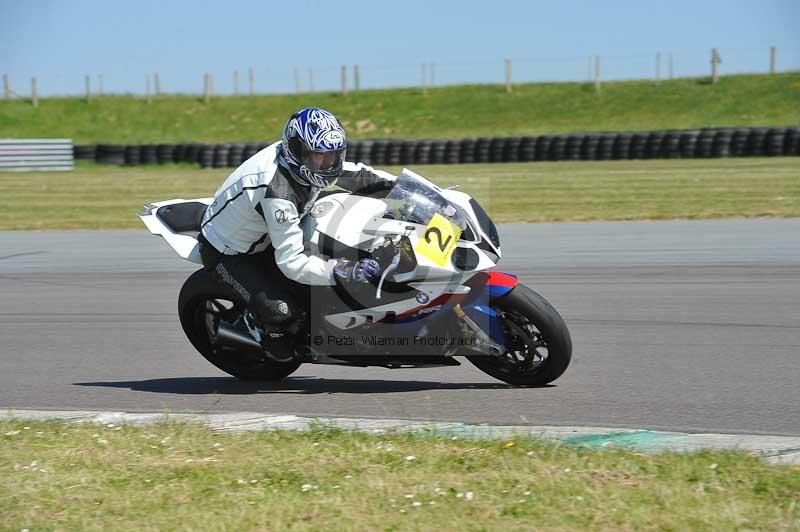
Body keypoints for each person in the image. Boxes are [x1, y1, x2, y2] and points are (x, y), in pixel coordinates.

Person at [197, 107, 395, 355]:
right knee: (282, 313)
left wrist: (407, 189)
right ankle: (266, 334)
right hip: (231, 253)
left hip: (272, 231)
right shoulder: (277, 192)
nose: (326, 163)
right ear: (297, 151)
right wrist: (343, 271)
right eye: (317, 156)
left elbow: (362, 177)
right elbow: (291, 262)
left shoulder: (309, 161)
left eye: (333, 155)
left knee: (351, 239)